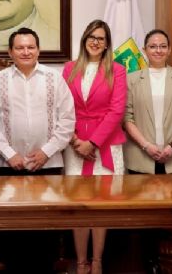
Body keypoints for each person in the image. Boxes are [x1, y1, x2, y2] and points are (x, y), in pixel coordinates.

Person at [62, 20, 127, 274]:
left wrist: (93, 142)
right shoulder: (69, 68)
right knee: (78, 205)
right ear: (84, 39)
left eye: (101, 38)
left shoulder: (117, 70)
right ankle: (80, 263)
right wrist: (77, 141)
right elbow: (63, 108)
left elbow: (117, 110)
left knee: (102, 204)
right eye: (91, 36)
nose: (95, 41)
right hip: (75, 144)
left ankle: (97, 261)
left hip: (106, 146)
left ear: (107, 43)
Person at [0, 27, 74, 175]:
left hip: (49, 163)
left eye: (31, 47)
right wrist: (9, 154)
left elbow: (67, 119)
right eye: (20, 48)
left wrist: (47, 152)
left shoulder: (55, 78)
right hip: (6, 164)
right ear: (10, 52)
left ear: (38, 50)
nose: (26, 52)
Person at [124, 29, 172, 174]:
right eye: (153, 46)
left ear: (169, 49)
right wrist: (146, 146)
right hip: (141, 158)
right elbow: (127, 118)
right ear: (144, 50)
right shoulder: (131, 79)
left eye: (163, 46)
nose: (158, 50)